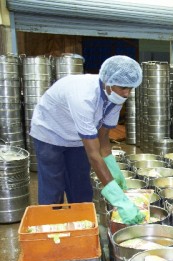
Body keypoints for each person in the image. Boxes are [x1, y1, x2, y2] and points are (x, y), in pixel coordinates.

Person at [30, 55, 144, 224]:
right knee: (53, 187)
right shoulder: (83, 96)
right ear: (108, 82)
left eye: (131, 88)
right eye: (123, 87)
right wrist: (117, 197)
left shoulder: (115, 98)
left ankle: (82, 228)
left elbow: (103, 139)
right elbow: (93, 155)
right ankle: (51, 230)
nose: (127, 93)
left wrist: (113, 168)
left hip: (77, 138)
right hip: (50, 134)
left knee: (81, 186)